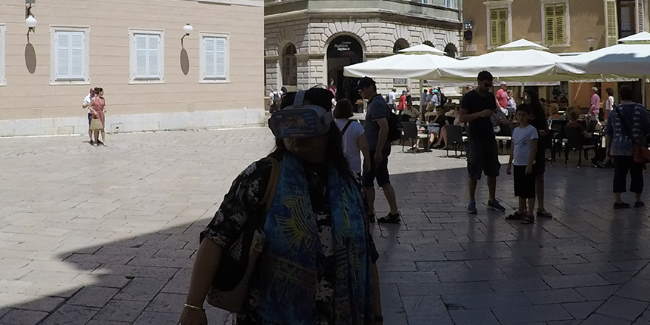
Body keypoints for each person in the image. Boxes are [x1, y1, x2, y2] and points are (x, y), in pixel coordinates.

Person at [179, 88, 382, 325]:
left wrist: (376, 315)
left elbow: (367, 255)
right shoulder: (261, 176)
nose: (296, 135)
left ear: (327, 127)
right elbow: (216, 238)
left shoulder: (349, 184)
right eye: (287, 124)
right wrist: (193, 306)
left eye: (305, 123)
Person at [459, 71, 507, 214]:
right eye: (486, 84)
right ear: (479, 82)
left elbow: (493, 113)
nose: (488, 87)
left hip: (489, 136)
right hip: (475, 138)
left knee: (493, 170)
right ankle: (472, 201)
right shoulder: (469, 97)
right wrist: (480, 114)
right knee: (474, 170)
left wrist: (500, 119)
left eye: (490, 85)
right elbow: (462, 118)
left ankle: (492, 199)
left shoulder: (490, 97)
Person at [358, 77, 401, 224]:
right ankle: (387, 212)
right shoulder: (376, 102)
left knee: (371, 182)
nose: (361, 91)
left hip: (375, 150)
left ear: (371, 87)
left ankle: (374, 213)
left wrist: (378, 151)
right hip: (375, 149)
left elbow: (384, 127)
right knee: (378, 181)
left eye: (363, 88)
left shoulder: (376, 104)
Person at [606, 85, 650, 209]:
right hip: (635, 147)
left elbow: (609, 132)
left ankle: (618, 200)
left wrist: (608, 150)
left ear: (620, 95)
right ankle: (638, 199)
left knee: (619, 174)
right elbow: (647, 127)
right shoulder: (640, 109)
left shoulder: (614, 111)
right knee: (637, 173)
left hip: (618, 147)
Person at [506, 106, 539, 224]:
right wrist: (510, 163)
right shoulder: (516, 130)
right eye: (519, 115)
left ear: (528, 116)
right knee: (519, 189)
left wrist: (530, 164)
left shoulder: (532, 130)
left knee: (529, 189)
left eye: (524, 115)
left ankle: (530, 213)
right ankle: (521, 210)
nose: (521, 117)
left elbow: (533, 148)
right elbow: (513, 147)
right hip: (517, 163)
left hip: (527, 163)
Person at [524, 89, 553, 219]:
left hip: (534, 147)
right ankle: (532, 207)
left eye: (527, 95)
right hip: (531, 147)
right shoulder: (526, 109)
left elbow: (545, 129)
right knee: (535, 178)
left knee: (536, 177)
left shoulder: (536, 110)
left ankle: (535, 207)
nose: (525, 98)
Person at [334, 99, 371, 177]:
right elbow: (364, 146)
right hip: (353, 166)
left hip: (335, 166)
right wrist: (368, 162)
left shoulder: (330, 125)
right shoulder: (356, 126)